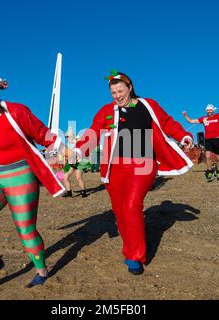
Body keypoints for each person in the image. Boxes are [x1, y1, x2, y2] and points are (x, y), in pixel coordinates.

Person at [74, 71, 194, 275]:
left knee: (131, 205)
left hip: (143, 164)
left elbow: (167, 122)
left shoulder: (148, 105)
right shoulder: (107, 111)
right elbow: (94, 131)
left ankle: (135, 256)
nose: (117, 95)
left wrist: (183, 135)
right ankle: (130, 248)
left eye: (120, 90)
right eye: (113, 92)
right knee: (120, 211)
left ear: (130, 88)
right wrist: (79, 149)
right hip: (114, 167)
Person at [0, 71, 69, 287]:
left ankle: (41, 271)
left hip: (20, 176)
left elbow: (41, 133)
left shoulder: (17, 111)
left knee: (25, 229)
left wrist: (63, 147)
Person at [182, 100, 219, 182]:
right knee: (208, 157)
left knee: (217, 158)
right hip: (208, 140)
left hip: (216, 139)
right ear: (206, 111)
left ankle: (218, 171)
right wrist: (185, 116)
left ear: (213, 110)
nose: (209, 111)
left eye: (210, 110)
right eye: (207, 110)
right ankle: (209, 171)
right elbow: (191, 121)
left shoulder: (217, 116)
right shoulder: (204, 118)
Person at [62, 131, 88, 198]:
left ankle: (83, 192)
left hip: (80, 162)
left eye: (67, 136)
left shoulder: (77, 140)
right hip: (73, 162)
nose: (66, 138)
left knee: (78, 177)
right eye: (66, 137)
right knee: (65, 176)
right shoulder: (69, 144)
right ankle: (69, 192)